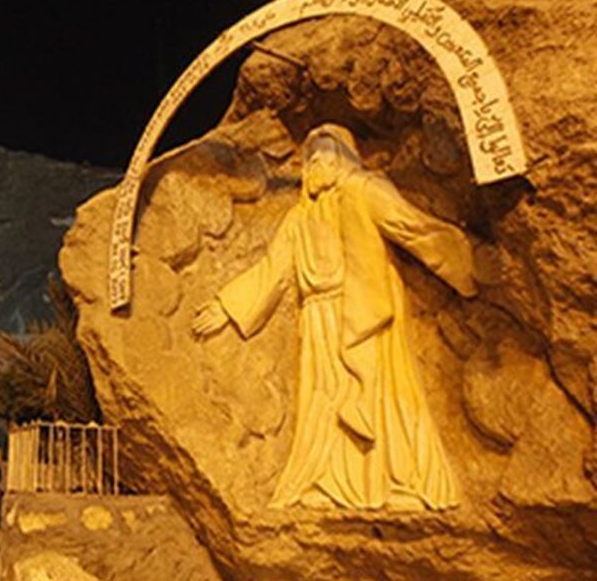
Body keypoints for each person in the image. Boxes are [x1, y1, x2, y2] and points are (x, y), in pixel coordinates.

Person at [193, 124, 476, 511]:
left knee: (380, 396)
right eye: (312, 157)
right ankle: (330, 483)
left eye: (328, 153)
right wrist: (226, 306)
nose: (318, 163)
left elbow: (413, 228)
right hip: (317, 319)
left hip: (363, 313)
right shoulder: (299, 218)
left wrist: (468, 266)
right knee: (325, 401)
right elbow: (273, 270)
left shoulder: (365, 190)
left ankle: (400, 481)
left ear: (347, 157)